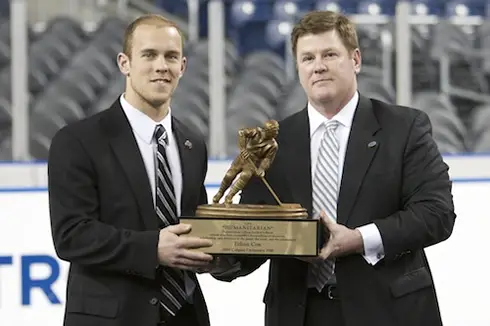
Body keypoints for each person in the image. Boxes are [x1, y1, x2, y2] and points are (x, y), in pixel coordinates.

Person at [211, 10, 456, 326]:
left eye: (329, 54)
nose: (319, 66)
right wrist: (216, 254)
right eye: (308, 58)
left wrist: (358, 239)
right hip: (300, 313)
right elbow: (258, 237)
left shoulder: (404, 128)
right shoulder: (273, 142)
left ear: (355, 59)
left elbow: (436, 214)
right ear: (298, 68)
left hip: (388, 312)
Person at [48, 14, 216, 326]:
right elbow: (71, 235)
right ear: (125, 63)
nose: (161, 66)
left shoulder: (193, 144)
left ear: (183, 66)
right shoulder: (77, 140)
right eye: (149, 55)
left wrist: (228, 252)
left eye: (171, 56)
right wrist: (152, 248)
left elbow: (195, 226)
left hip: (186, 316)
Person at [213, 120, 279, 204]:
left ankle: (230, 196)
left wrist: (261, 168)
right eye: (274, 131)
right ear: (267, 131)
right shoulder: (256, 132)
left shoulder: (273, 145)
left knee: (245, 176)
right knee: (229, 175)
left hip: (252, 162)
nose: (276, 133)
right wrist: (243, 148)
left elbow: (267, 159)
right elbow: (241, 133)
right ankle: (219, 193)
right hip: (242, 158)